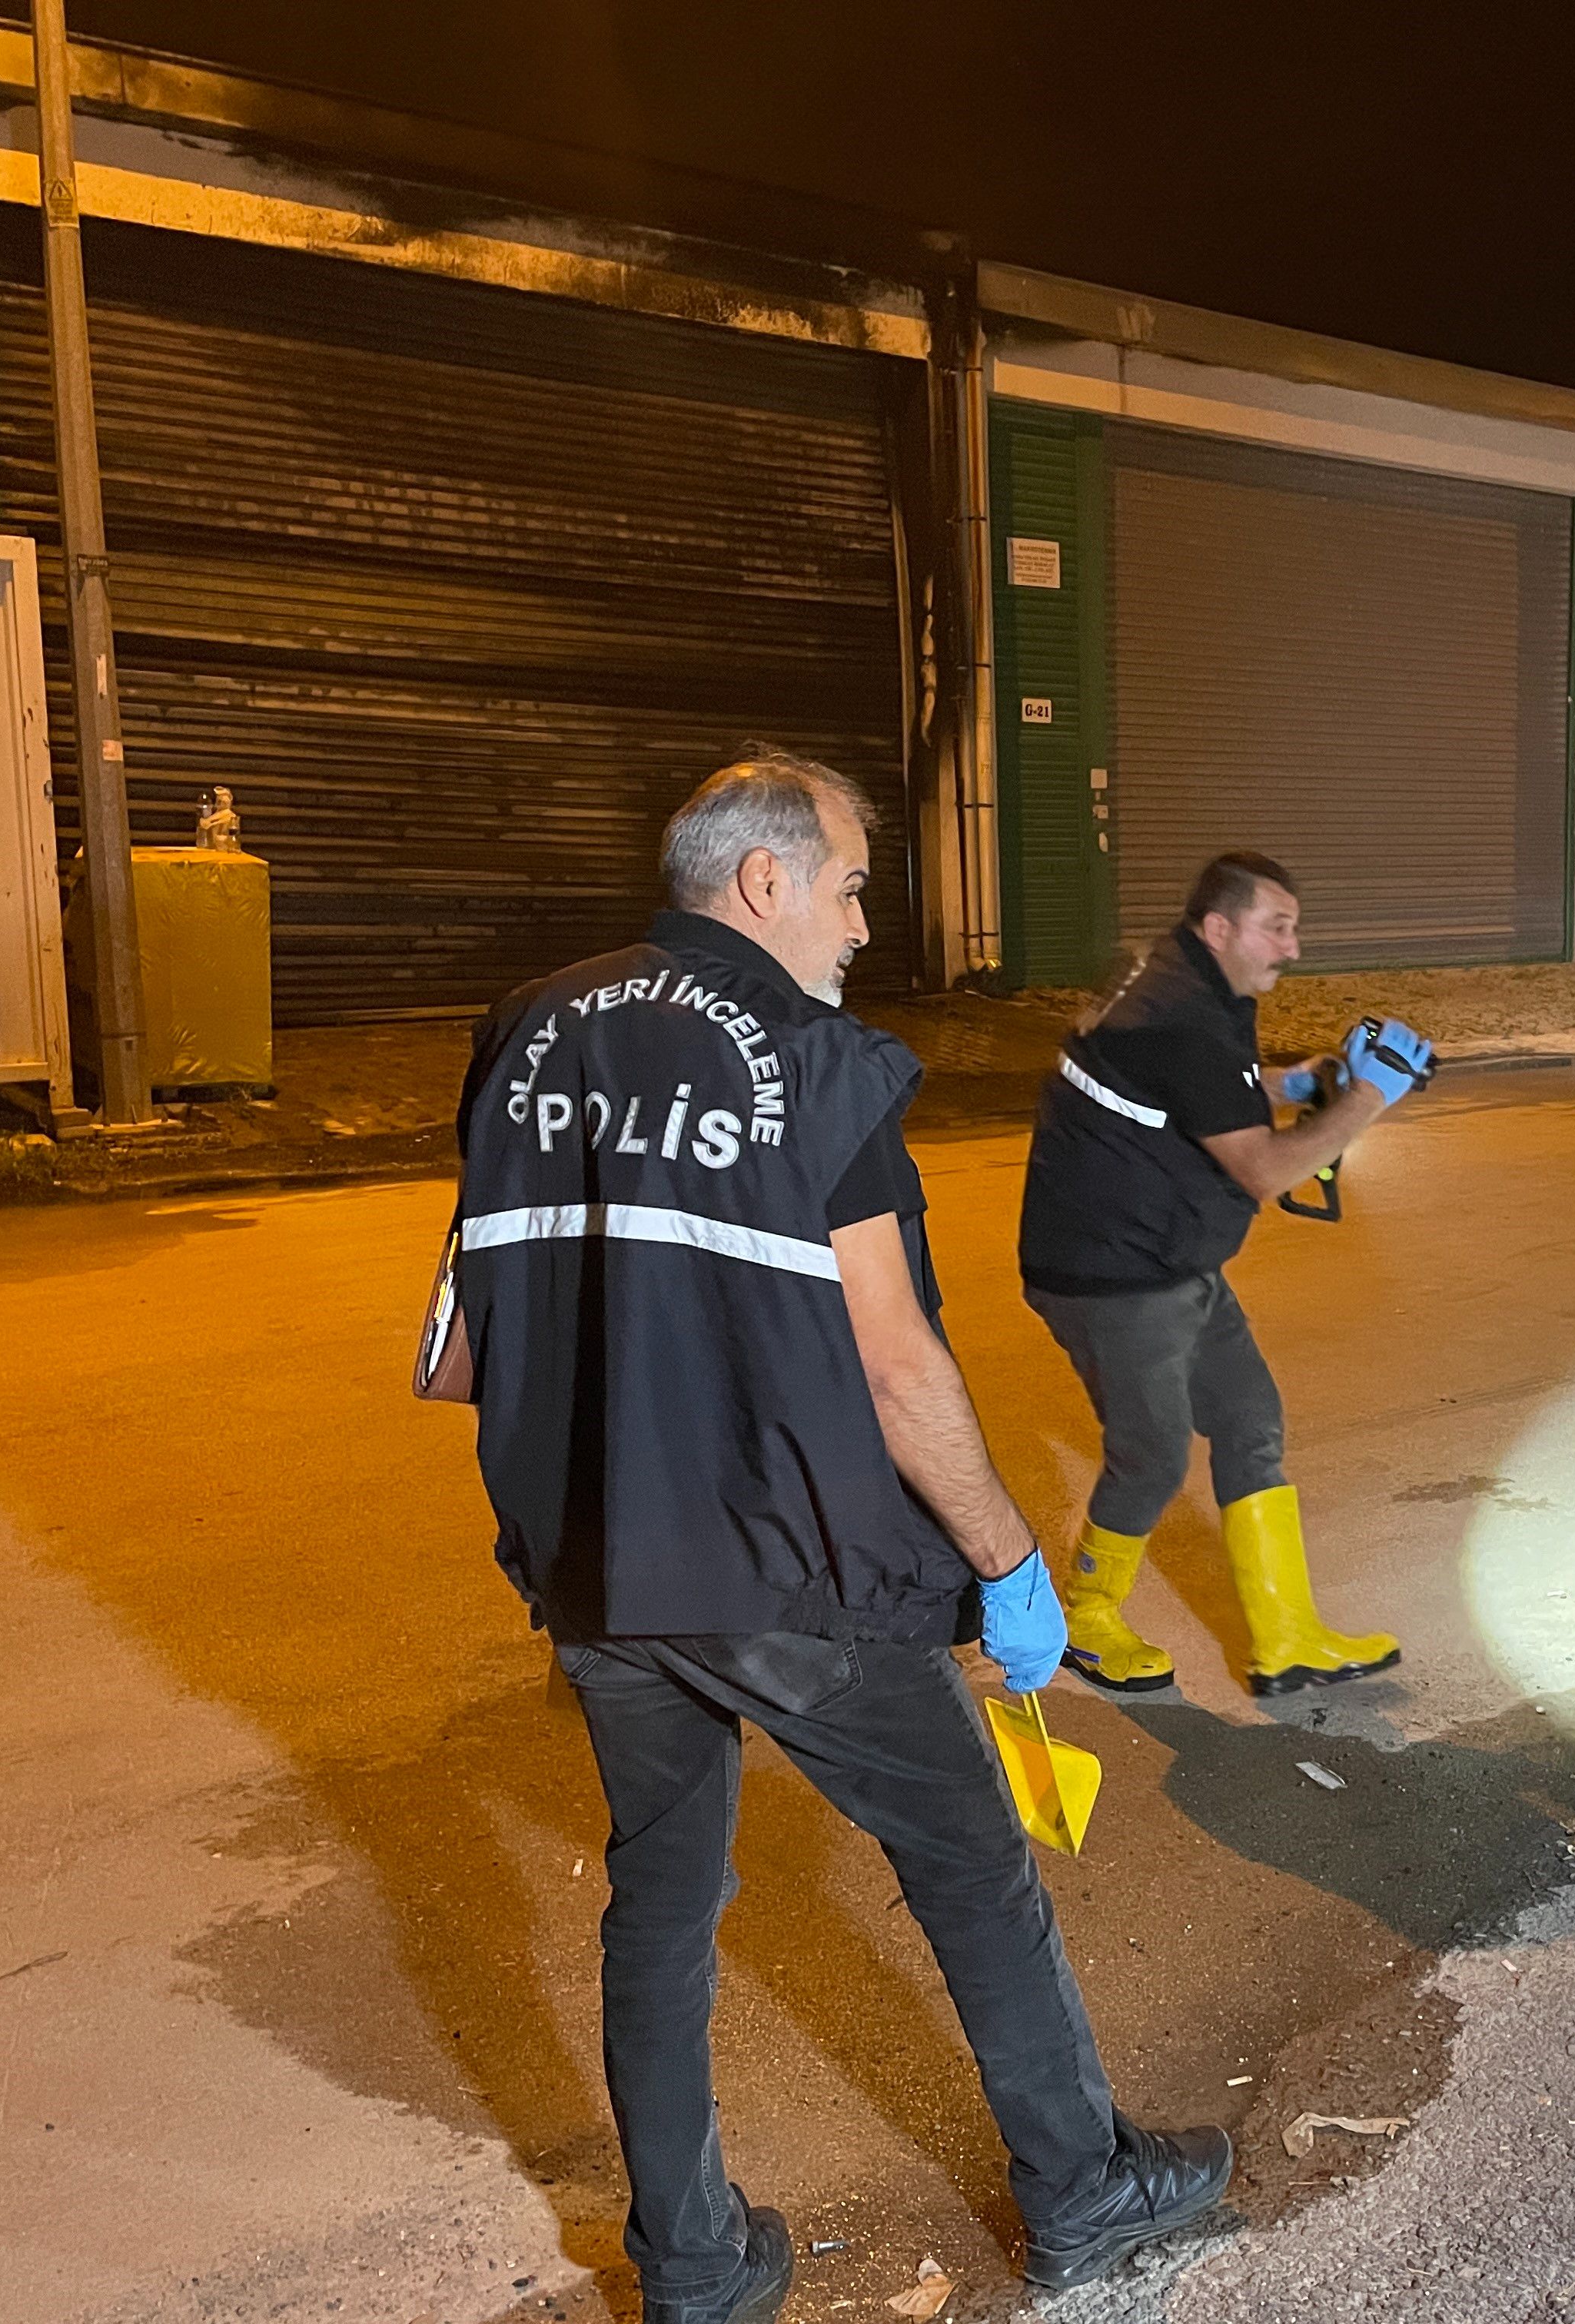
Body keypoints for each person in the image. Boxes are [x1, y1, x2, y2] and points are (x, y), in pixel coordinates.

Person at [436, 749, 1230, 2321]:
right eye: (855, 884)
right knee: (974, 1867)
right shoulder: (808, 1057)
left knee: (662, 1898)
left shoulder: (526, 1030)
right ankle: (1081, 2192)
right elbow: (892, 1361)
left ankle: (694, 2269)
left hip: (598, 1566)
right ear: (765, 881)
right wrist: (1009, 1563)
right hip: (784, 1569)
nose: (866, 924)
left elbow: (475, 1330)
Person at [1017, 851, 1432, 1698]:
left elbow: (1190, 1092)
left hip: (1167, 1252)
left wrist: (1295, 1081)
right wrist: (1368, 1098)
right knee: (1154, 1458)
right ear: (1220, 927)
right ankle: (1087, 1619)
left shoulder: (1175, 975)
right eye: (1278, 927)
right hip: (1112, 1274)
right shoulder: (1188, 1021)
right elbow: (1264, 1171)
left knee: (1250, 1419)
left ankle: (1285, 1639)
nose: (1294, 947)